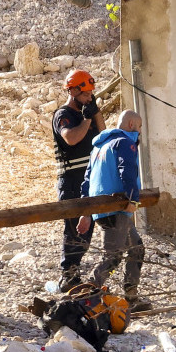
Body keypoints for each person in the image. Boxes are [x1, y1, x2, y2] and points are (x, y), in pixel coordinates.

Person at [77, 111, 150, 311]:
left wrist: (86, 212)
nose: (140, 131)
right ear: (132, 123)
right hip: (117, 209)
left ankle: (130, 296)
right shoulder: (124, 142)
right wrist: (133, 198)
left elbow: (87, 180)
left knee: (136, 248)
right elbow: (126, 170)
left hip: (102, 210)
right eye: (140, 126)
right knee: (113, 257)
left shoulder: (99, 146)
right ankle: (87, 297)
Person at [52, 69, 106, 292]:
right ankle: (68, 275)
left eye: (90, 94)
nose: (88, 98)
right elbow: (71, 138)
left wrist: (95, 113)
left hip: (89, 180)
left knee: (87, 230)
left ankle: (75, 273)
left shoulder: (88, 113)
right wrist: (85, 119)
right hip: (72, 181)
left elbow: (103, 135)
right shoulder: (62, 115)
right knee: (74, 230)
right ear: (72, 90)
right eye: (85, 94)